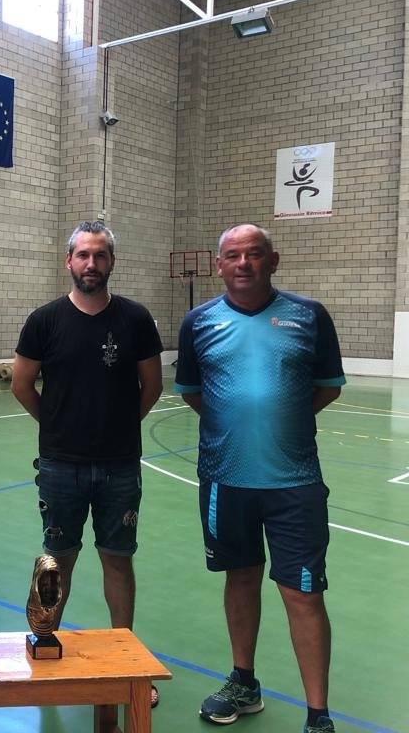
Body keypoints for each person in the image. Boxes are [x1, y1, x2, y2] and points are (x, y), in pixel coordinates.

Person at [175, 224, 344, 733]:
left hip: (295, 482)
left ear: (274, 260)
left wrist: (281, 420)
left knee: (303, 594)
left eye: (254, 254)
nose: (243, 263)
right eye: (232, 255)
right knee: (240, 576)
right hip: (226, 481)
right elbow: (192, 392)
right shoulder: (197, 322)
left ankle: (318, 714)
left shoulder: (309, 316)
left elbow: (326, 388)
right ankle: (244, 682)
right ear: (218, 264)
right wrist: (237, 428)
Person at [12, 220, 164, 719]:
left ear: (111, 262)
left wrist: (119, 428)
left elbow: (152, 386)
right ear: (69, 261)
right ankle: (44, 644)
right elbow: (22, 384)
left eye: (100, 256)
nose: (91, 264)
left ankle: (128, 661)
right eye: (83, 255)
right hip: (60, 466)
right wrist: (56, 425)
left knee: (118, 559)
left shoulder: (137, 319)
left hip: (120, 465)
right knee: (58, 557)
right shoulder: (44, 320)